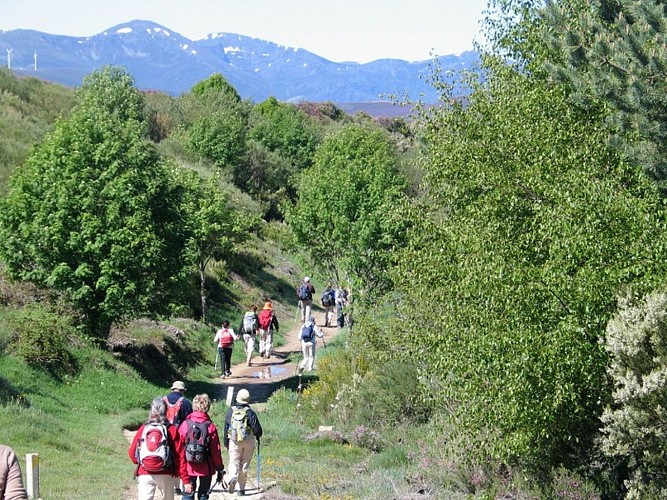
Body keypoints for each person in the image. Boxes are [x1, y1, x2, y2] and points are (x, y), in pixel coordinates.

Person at [128, 397, 192, 500]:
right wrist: (185, 480)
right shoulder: (171, 429)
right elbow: (180, 458)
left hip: (145, 472)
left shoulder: (144, 428)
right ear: (166, 411)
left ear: (151, 410)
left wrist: (145, 460)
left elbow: (132, 453)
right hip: (166, 473)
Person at [177, 394, 225, 500]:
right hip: (206, 467)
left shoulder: (185, 424)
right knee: (203, 495)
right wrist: (220, 468)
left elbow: (179, 448)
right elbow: (215, 450)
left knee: (188, 495)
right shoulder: (210, 427)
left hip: (188, 466)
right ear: (207, 407)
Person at [224, 389, 263, 496]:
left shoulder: (230, 411)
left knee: (233, 461)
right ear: (248, 400)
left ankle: (233, 477)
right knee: (244, 463)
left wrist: (226, 443)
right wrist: (258, 436)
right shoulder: (250, 412)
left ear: (237, 398)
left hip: (234, 439)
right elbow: (258, 430)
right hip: (248, 440)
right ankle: (241, 490)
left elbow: (226, 427)